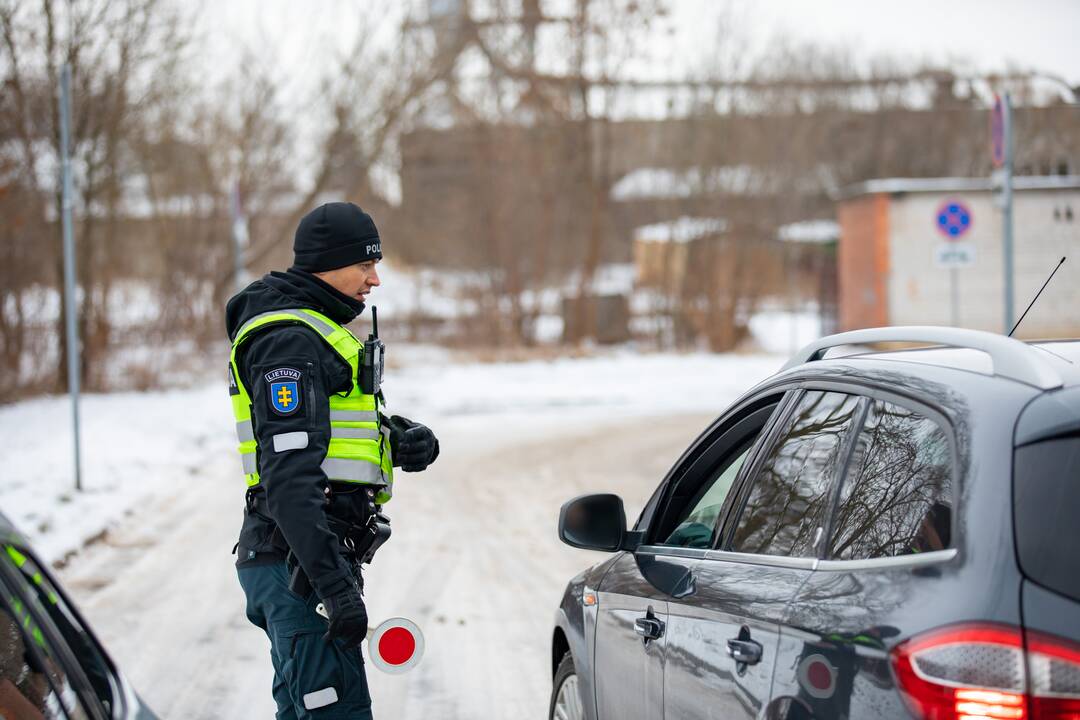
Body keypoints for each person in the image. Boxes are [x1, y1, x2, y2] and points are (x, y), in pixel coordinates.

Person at [225, 202, 439, 719]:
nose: (376, 279)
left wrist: (401, 437)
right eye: (365, 264)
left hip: (299, 561)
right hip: (296, 563)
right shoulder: (289, 341)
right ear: (328, 263)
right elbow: (290, 479)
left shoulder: (314, 329)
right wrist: (334, 588)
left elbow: (331, 432)